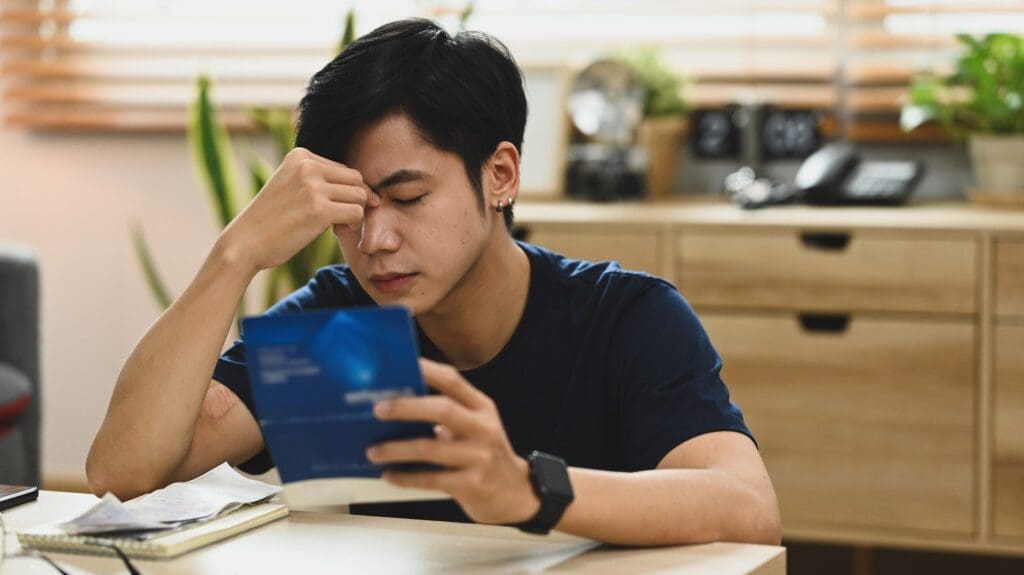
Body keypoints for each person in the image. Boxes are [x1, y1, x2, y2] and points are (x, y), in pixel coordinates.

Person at [87, 18, 780, 546]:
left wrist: (527, 489)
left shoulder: (627, 316)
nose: (376, 240)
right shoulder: (340, 326)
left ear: (500, 175)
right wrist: (234, 255)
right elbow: (125, 473)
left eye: (408, 197)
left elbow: (747, 509)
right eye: (352, 209)